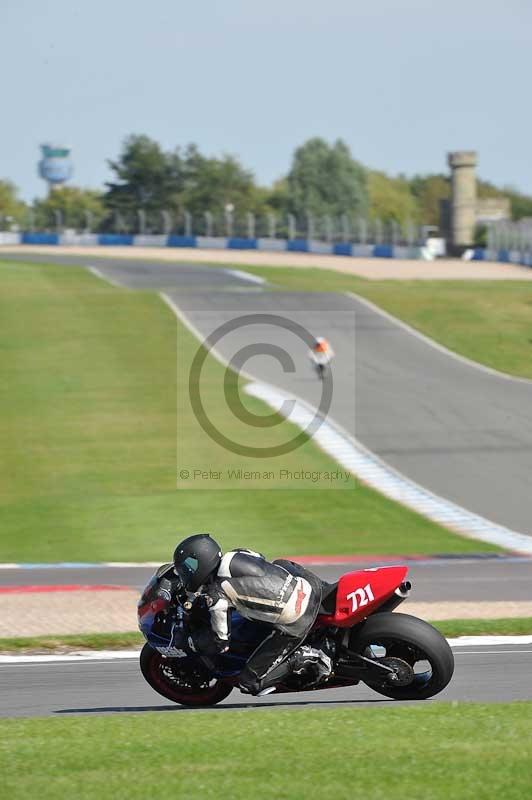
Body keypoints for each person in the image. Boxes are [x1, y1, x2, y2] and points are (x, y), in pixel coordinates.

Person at [170, 533, 326, 696]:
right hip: (308, 586)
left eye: (188, 568)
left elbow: (221, 641)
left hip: (297, 619)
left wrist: (191, 642)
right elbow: (260, 558)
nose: (186, 573)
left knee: (249, 683)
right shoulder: (236, 554)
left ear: (202, 563)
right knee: (280, 563)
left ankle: (303, 657)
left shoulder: (217, 596)